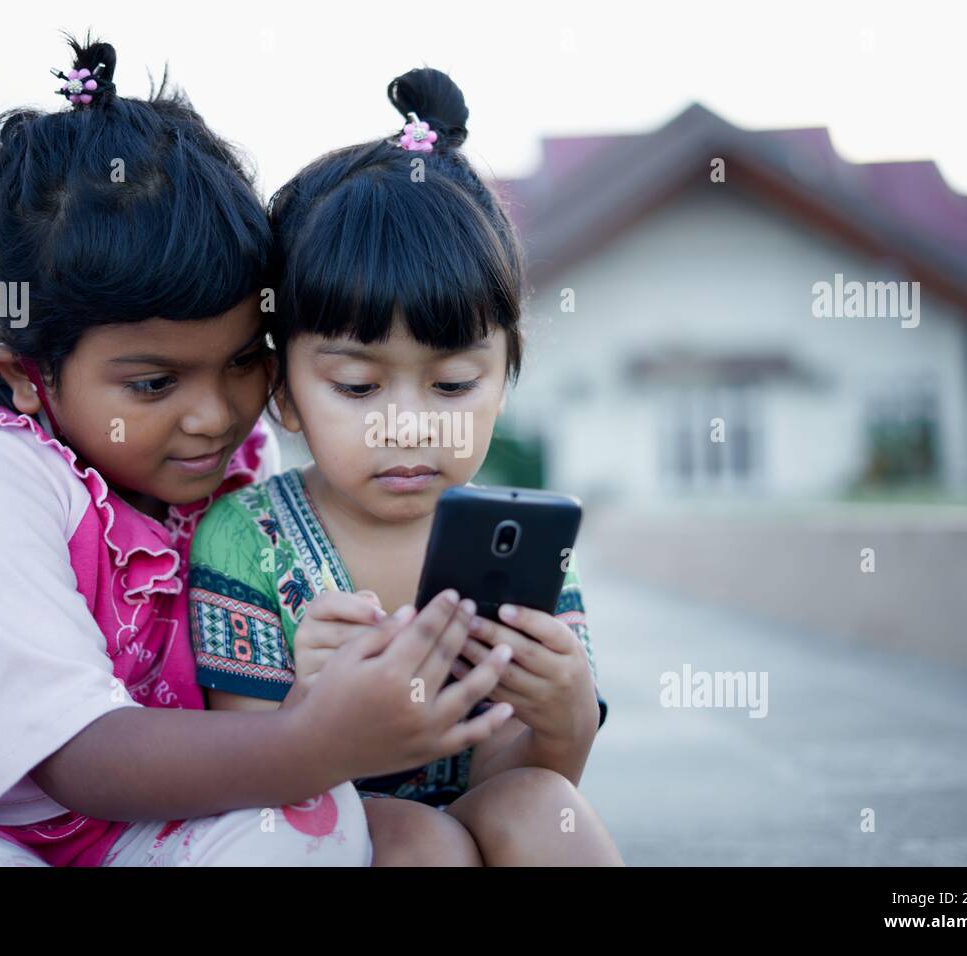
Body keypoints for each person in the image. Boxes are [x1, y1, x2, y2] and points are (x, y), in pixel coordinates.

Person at [0, 38, 514, 868]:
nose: (213, 416)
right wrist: (317, 741)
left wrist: (322, 697)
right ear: (30, 376)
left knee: (320, 825)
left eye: (242, 362)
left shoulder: (237, 472)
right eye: (155, 385)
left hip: (108, 829)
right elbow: (75, 754)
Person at [189, 68, 622, 866]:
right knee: (418, 837)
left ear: (504, 382)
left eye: (454, 384)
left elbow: (526, 783)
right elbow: (245, 790)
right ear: (284, 392)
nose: (406, 424)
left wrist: (563, 716)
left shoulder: (518, 543)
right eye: (357, 386)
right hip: (319, 828)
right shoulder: (246, 540)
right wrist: (311, 709)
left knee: (541, 806)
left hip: (493, 813)